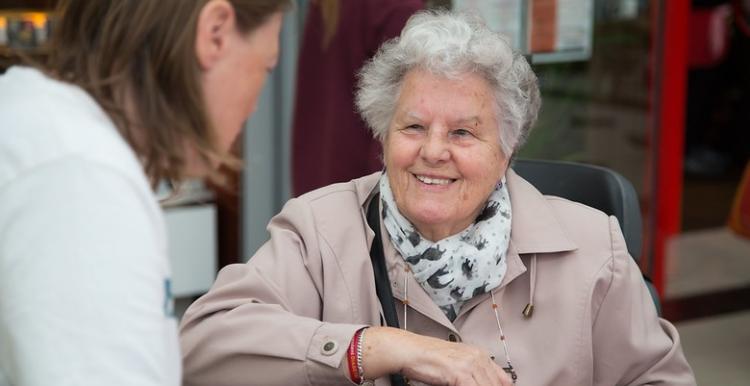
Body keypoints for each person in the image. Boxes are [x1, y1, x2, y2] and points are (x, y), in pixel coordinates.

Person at [179, 11, 696, 386]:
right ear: (382, 134)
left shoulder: (591, 249)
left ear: (507, 146)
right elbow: (201, 348)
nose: (433, 151)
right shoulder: (319, 230)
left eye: (464, 133)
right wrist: (376, 348)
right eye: (413, 126)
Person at [0, 0, 289, 385]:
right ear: (215, 33)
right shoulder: (82, 179)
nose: (254, 105)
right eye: (265, 67)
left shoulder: (44, 130)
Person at [291, 0, 424, 196]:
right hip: (363, 198)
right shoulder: (397, 8)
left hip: (321, 190)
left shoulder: (331, 5)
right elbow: (398, 123)